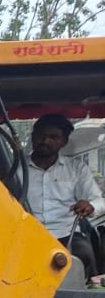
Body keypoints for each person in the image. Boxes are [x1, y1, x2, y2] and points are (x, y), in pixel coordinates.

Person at [21, 113, 105, 276]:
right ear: (33, 136)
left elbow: (99, 201)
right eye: (42, 136)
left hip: (66, 234)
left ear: (64, 142)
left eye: (53, 137)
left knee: (84, 256)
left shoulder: (76, 168)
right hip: (24, 235)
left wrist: (90, 206)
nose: (46, 141)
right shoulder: (16, 169)